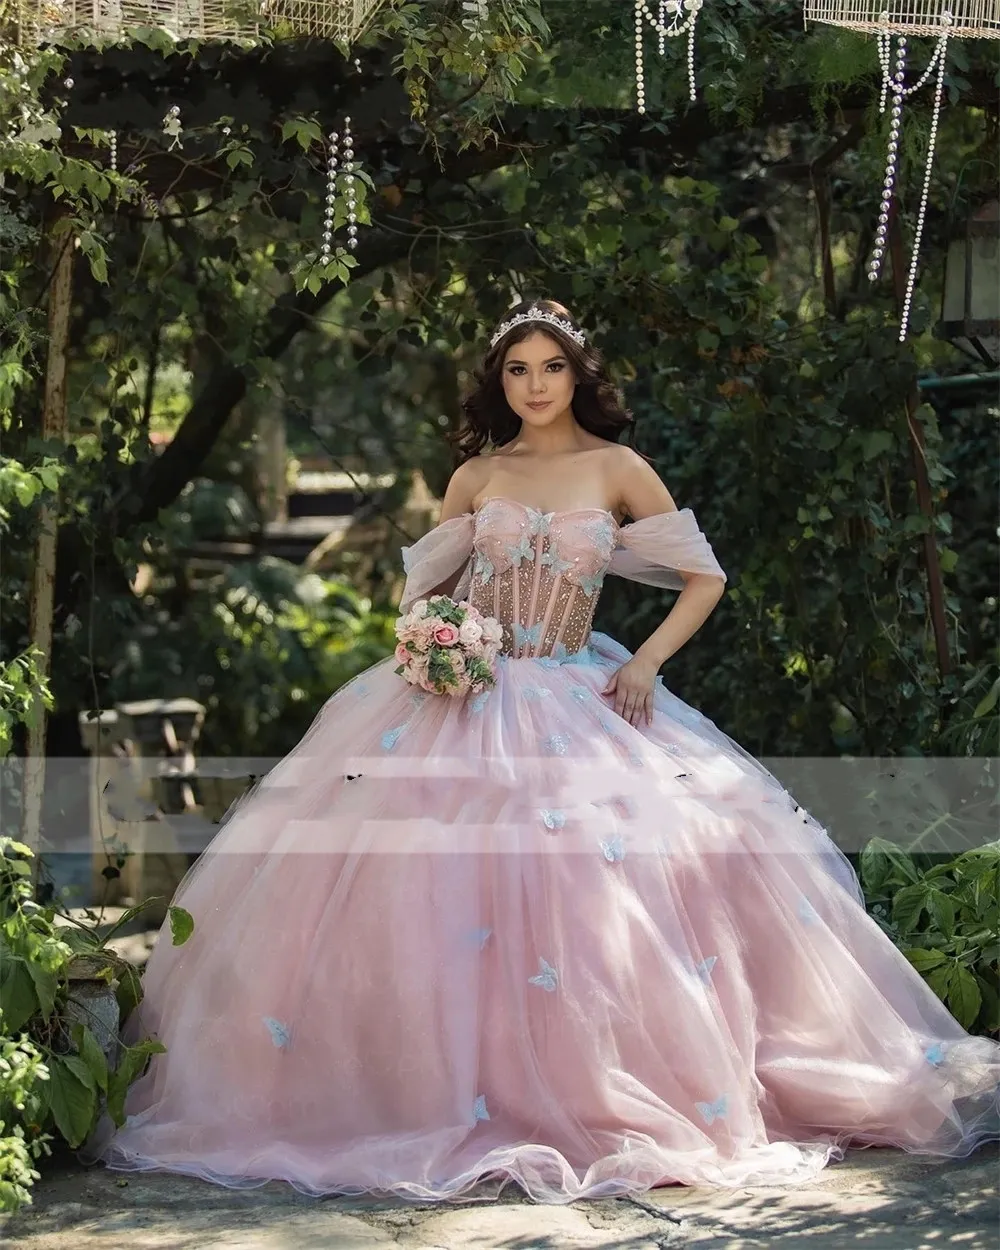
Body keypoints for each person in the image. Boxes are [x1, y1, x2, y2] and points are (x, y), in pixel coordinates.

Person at [80, 298, 999, 1204]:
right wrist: (438, 642)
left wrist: (643, 663)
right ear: (500, 381)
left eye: (550, 367)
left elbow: (703, 578)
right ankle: (417, 1092)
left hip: (581, 691)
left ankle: (619, 1083)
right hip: (466, 697)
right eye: (517, 370)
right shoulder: (478, 475)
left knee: (613, 884)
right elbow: (419, 595)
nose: (534, 385)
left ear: (577, 373)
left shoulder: (618, 466)